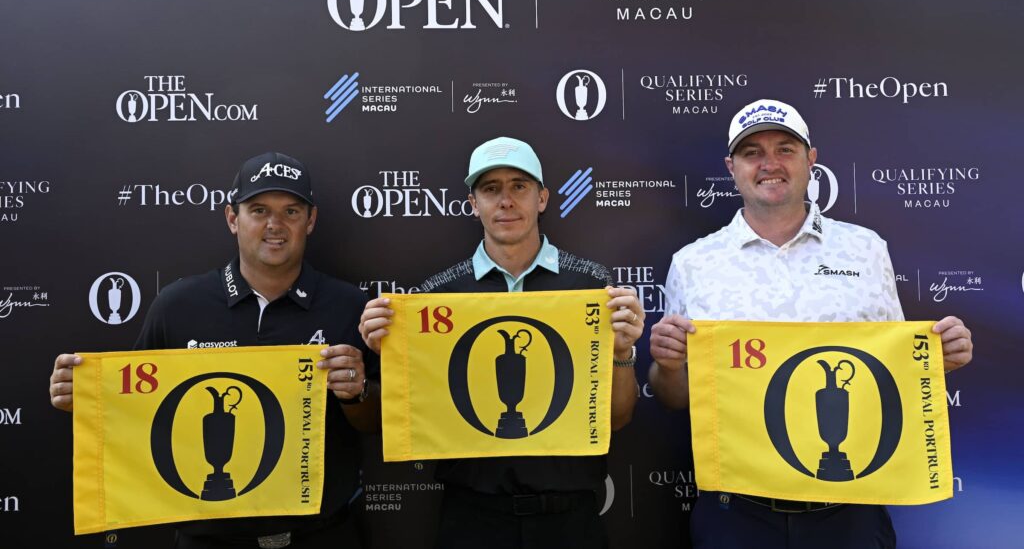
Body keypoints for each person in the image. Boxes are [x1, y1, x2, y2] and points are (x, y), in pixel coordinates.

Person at [648, 99, 975, 549]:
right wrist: (667, 366)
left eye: (785, 149)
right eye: (752, 153)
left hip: (850, 508)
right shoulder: (692, 263)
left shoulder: (865, 250)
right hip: (738, 512)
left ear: (811, 160)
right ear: (731, 167)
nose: (769, 164)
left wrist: (938, 361)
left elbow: (895, 372)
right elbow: (675, 397)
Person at [49, 151, 380, 549]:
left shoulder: (349, 305)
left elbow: (375, 421)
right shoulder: (178, 306)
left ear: (310, 221)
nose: (275, 225)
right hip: (209, 539)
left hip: (322, 536)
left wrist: (356, 391)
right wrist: (85, 398)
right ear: (231, 218)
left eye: (291, 211)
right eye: (258, 210)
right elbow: (134, 413)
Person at [359, 137, 643, 549]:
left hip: (570, 519)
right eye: (491, 189)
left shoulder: (591, 287)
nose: (506, 200)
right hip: (471, 518)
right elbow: (411, 411)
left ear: (542, 198)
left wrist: (622, 353)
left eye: (519, 186)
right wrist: (387, 354)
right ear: (473, 204)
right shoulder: (436, 297)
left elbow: (616, 419)